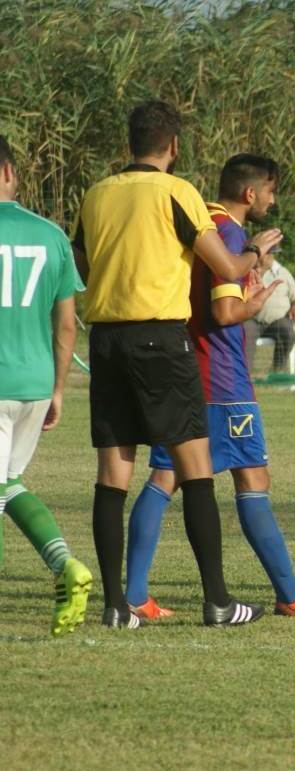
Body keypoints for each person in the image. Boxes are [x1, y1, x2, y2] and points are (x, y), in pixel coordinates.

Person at [70, 99, 277, 628]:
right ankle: (218, 601)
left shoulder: (97, 194)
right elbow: (225, 266)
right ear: (174, 146)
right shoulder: (178, 192)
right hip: (161, 338)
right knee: (196, 469)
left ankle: (116, 606)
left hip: (107, 341)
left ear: (130, 142)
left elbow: (82, 265)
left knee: (112, 474)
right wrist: (255, 252)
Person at [123, 154, 295, 621]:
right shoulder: (228, 234)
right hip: (223, 379)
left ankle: (134, 595)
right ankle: (291, 594)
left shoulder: (198, 224)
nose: (273, 199)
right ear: (251, 193)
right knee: (252, 479)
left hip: (182, 368)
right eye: (271, 190)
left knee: (165, 476)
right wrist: (258, 298)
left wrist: (252, 277)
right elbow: (225, 313)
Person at [0, 134, 93, 636]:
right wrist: (57, 388)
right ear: (9, 172)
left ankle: (65, 567)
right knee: (8, 485)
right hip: (35, 383)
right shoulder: (51, 235)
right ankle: (65, 565)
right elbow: (67, 325)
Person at [242, 246, 295, 375]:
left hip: (277, 321)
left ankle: (277, 371)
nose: (272, 257)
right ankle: (244, 374)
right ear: (258, 255)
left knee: (287, 331)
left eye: (273, 254)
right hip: (252, 320)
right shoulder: (246, 271)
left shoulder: (283, 272)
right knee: (244, 331)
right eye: (268, 253)